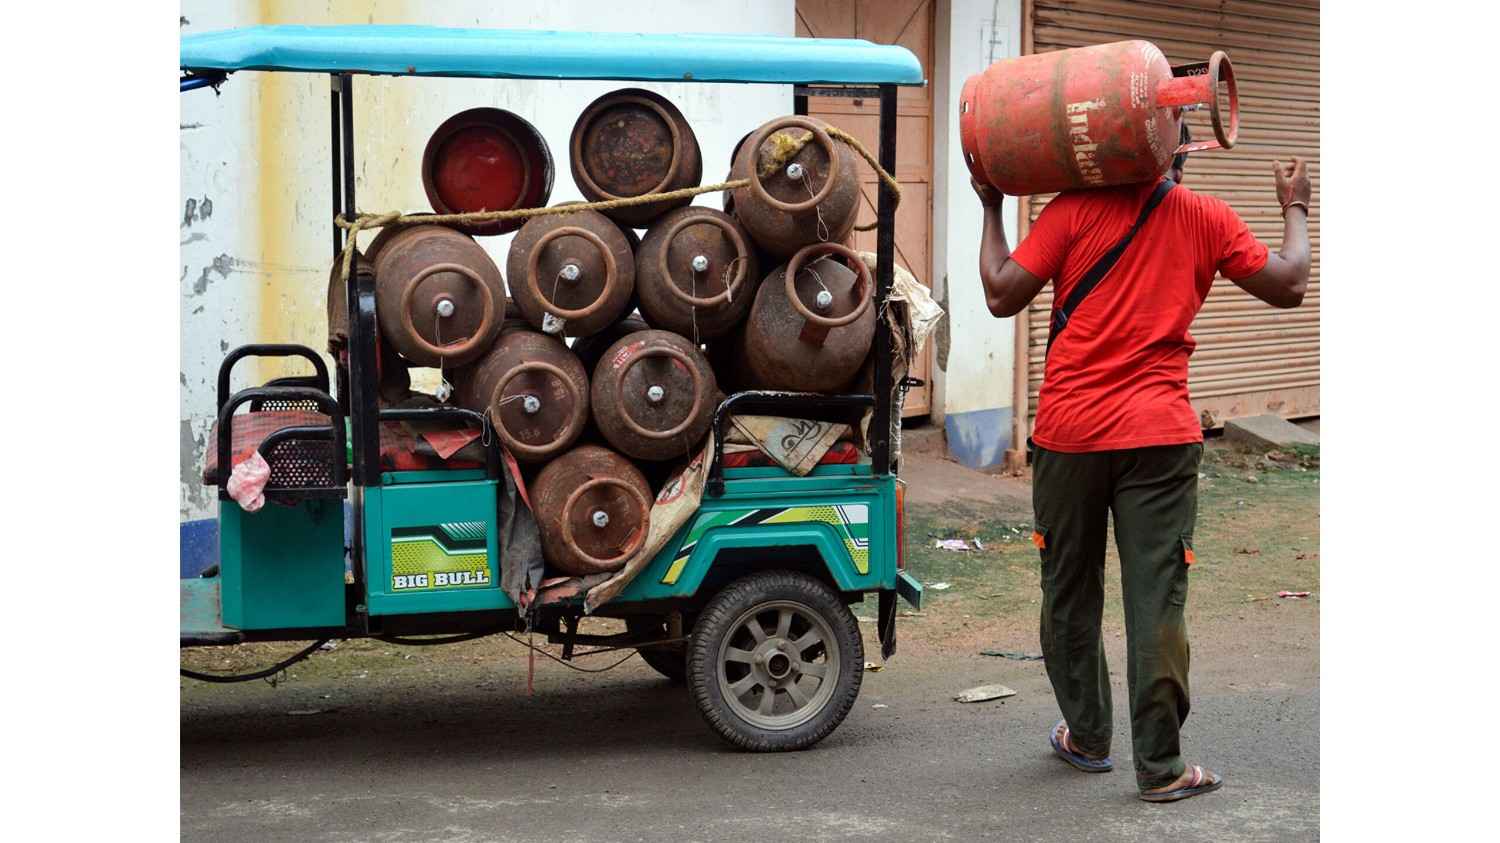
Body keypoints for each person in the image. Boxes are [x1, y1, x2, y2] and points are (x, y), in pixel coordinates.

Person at [972, 123, 1311, 802]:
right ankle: (1160, 766)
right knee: (1156, 596)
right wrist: (1295, 205)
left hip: (1069, 436)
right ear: (1174, 153)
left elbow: (1001, 292)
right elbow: (1290, 284)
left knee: (1069, 589)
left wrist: (990, 204)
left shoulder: (1070, 210)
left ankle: (1088, 736)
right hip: (1159, 438)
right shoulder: (1206, 216)